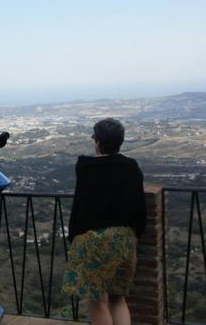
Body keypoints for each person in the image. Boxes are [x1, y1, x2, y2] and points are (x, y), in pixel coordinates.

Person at [62, 118, 146, 325]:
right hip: (123, 239)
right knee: (118, 299)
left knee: (97, 301)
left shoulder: (85, 167)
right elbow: (139, 205)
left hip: (92, 240)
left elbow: (80, 205)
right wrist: (136, 234)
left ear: (97, 142)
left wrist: (73, 236)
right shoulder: (131, 167)